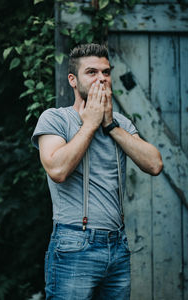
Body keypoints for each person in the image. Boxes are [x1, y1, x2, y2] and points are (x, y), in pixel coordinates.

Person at [32, 43, 163, 300]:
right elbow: (57, 169)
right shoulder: (55, 119)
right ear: (73, 79)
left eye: (106, 72)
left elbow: (155, 164)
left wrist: (110, 125)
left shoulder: (121, 123)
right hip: (73, 243)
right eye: (91, 72)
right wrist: (90, 124)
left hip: (117, 245)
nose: (101, 78)